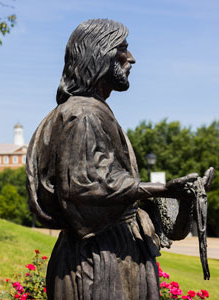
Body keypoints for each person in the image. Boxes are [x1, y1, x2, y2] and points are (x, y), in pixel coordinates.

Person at [26, 19, 206, 300]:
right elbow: (85, 185)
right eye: (123, 48)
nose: (131, 58)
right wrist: (164, 188)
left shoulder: (94, 110)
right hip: (98, 259)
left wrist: (179, 195)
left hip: (115, 251)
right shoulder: (83, 114)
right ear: (100, 54)